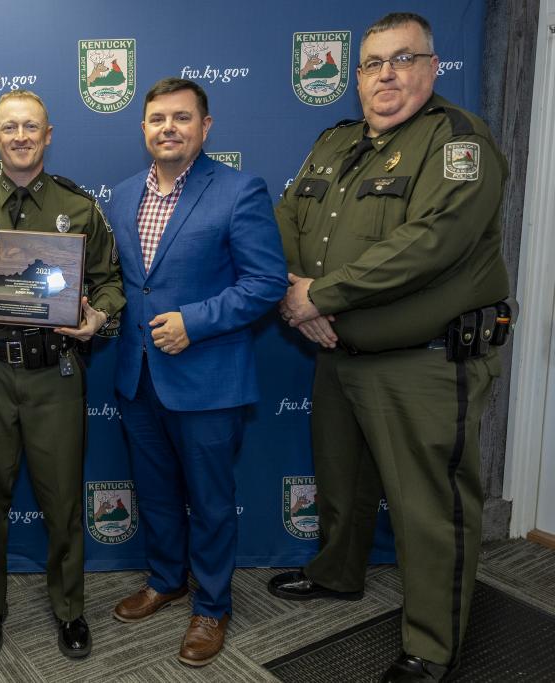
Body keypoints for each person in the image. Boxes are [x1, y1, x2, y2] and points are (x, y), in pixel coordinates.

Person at [269, 13, 510, 683]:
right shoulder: (334, 144)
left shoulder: (459, 143)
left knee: (430, 509)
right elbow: (287, 220)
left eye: (404, 60)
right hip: (338, 349)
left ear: (432, 69)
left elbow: (428, 244)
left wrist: (322, 296)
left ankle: (433, 645)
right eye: (374, 63)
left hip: (423, 361)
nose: (387, 74)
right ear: (356, 78)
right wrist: (299, 293)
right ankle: (338, 572)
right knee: (341, 478)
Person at [0, 90, 124, 659]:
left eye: (30, 127)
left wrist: (98, 314)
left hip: (55, 370)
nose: (20, 136)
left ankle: (70, 608)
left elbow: (111, 281)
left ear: (48, 134)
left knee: (63, 500)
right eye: (9, 128)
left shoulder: (80, 207)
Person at [107, 77, 287, 667]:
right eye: (157, 118)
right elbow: (133, 284)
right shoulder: (125, 192)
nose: (168, 128)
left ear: (204, 128)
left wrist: (195, 322)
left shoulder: (239, 190)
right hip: (137, 376)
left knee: (210, 501)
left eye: (181, 118)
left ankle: (212, 606)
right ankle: (166, 579)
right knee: (156, 494)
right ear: (143, 129)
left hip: (208, 377)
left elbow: (264, 283)